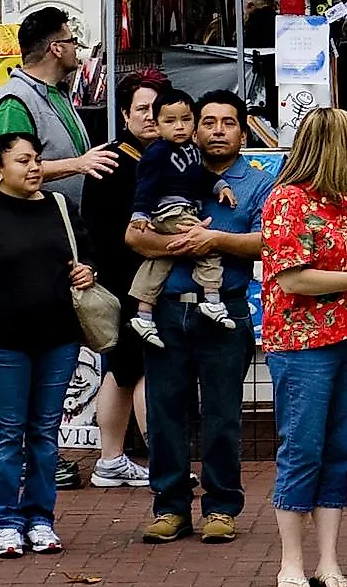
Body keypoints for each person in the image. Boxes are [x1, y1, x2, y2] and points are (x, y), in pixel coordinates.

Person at [261, 107, 347, 587]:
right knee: (302, 447)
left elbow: (329, 259)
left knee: (340, 448)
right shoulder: (288, 200)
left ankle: (328, 559)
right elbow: (293, 278)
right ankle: (291, 562)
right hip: (302, 344)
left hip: (346, 337)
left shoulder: (338, 200)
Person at [127, 88, 271, 544]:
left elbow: (267, 241)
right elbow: (133, 237)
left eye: (228, 123)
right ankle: (170, 508)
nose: (217, 131)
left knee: (222, 415)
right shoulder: (168, 166)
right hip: (168, 311)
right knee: (165, 414)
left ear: (243, 132)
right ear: (192, 127)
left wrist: (215, 241)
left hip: (225, 310)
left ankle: (221, 508)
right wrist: (181, 245)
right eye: (208, 122)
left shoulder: (258, 182)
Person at [0, 131, 94, 558]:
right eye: (23, 161)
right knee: (8, 432)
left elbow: (86, 255)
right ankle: (5, 520)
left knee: (45, 432)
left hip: (58, 339)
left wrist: (88, 271)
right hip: (3, 343)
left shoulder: (60, 207)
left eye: (37, 160)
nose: (34, 168)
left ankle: (40, 517)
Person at [83, 75, 166, 489]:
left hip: (151, 283)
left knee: (121, 372)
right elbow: (98, 229)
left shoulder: (169, 157)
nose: (150, 117)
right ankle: (162, 466)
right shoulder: (113, 162)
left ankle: (111, 459)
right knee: (140, 369)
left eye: (157, 109)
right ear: (124, 114)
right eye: (141, 109)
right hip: (126, 284)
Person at [123, 87, 240, 347]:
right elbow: (146, 184)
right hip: (170, 210)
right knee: (204, 243)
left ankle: (143, 313)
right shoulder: (157, 152)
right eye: (170, 121)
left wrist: (220, 185)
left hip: (184, 207)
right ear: (157, 124)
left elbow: (202, 175)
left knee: (161, 259)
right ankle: (212, 298)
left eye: (186, 120)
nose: (179, 127)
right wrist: (140, 213)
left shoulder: (191, 149)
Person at [0, 6, 116, 212]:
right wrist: (78, 164)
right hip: (28, 223)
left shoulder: (58, 92)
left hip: (62, 221)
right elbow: (11, 170)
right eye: (72, 41)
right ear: (57, 49)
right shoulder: (14, 103)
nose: (77, 48)